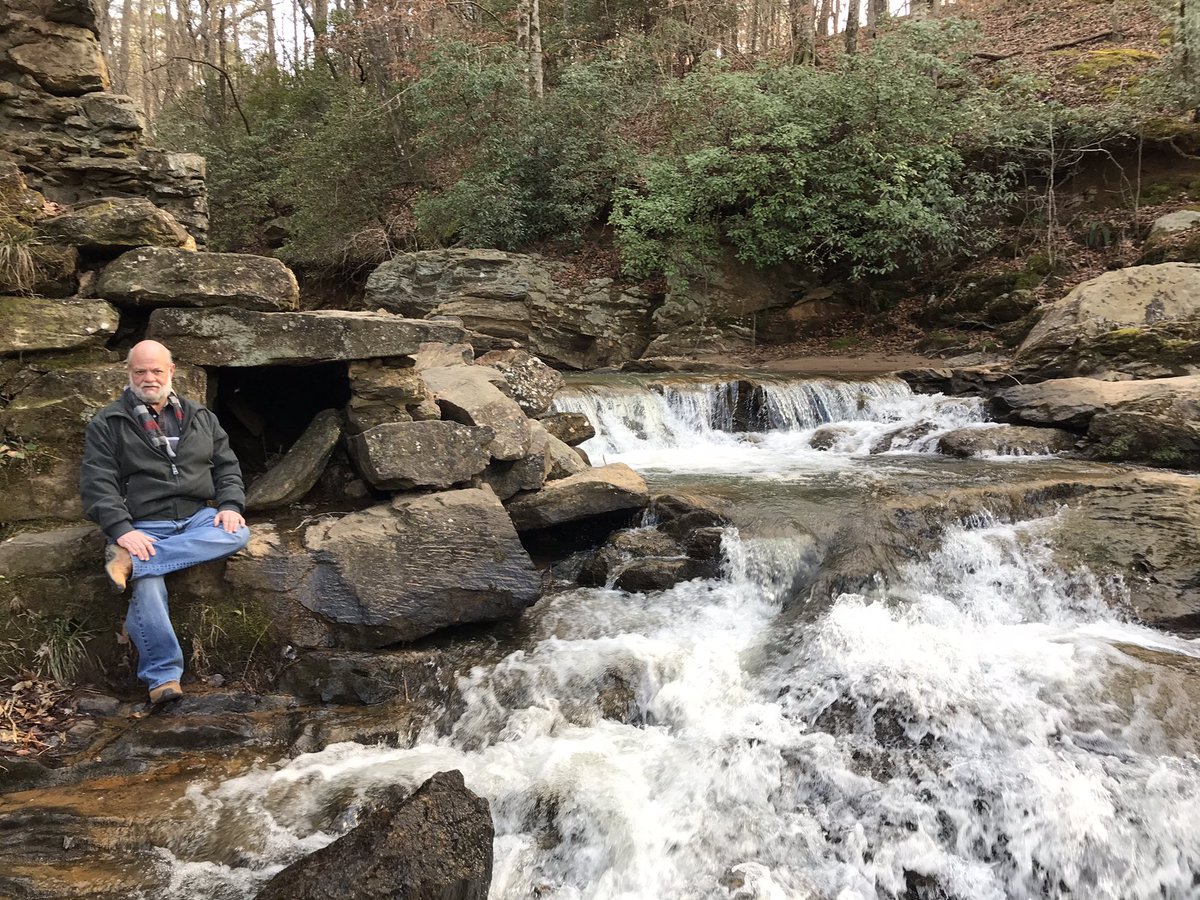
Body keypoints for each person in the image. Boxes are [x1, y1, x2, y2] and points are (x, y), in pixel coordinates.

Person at [80, 340, 250, 705]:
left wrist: (231, 504)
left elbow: (227, 466)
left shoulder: (201, 416)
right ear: (129, 374)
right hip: (143, 523)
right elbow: (98, 484)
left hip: (197, 515)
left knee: (237, 533)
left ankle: (132, 563)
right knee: (149, 586)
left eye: (156, 370)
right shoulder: (109, 421)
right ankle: (163, 678)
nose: (148, 378)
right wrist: (123, 531)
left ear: (171, 371)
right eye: (140, 371)